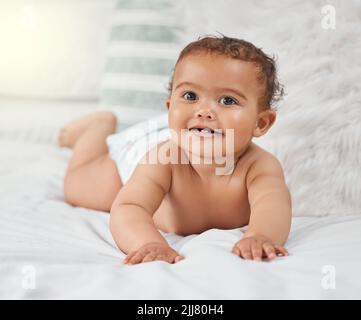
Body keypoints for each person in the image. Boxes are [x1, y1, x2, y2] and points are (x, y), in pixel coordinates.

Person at [58, 35, 291, 265]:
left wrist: (261, 236)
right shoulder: (162, 160)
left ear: (261, 123)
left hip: (190, 132)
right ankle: (98, 126)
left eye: (227, 100)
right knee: (77, 187)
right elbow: (129, 207)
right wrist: (148, 243)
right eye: (190, 96)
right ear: (171, 107)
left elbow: (273, 205)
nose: (204, 110)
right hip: (142, 152)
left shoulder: (259, 166)